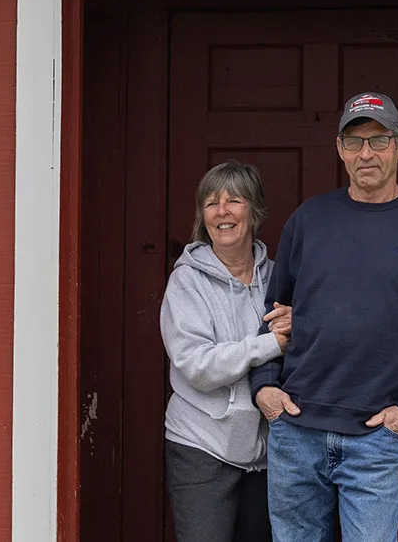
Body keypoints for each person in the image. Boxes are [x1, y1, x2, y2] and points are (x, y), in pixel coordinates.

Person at [250, 91, 398, 542]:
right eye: (355, 142)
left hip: (377, 438)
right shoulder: (309, 220)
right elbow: (271, 313)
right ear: (340, 149)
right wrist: (264, 387)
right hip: (296, 430)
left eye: (379, 141)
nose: (367, 154)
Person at [160, 161, 293, 542]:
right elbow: (198, 366)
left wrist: (297, 326)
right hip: (201, 445)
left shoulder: (278, 277)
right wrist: (272, 343)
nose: (222, 212)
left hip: (268, 450)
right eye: (211, 203)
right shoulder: (186, 282)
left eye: (234, 200)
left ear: (254, 210)